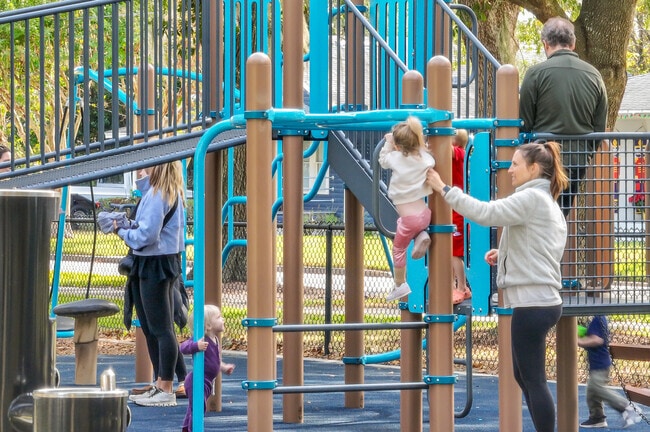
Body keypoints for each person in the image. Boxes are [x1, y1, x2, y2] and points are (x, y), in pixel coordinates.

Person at [427, 141, 568, 432]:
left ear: (534, 168)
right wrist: (503, 254)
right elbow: (540, 246)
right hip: (540, 300)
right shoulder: (546, 201)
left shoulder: (531, 199)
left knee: (533, 378)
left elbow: (485, 213)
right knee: (523, 375)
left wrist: (444, 188)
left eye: (515, 164)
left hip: (533, 304)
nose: (510, 169)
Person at [111, 162, 186, 407]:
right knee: (153, 326)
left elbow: (147, 236)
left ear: (160, 165)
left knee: (161, 327)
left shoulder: (158, 195)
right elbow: (146, 228)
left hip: (155, 263)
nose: (144, 166)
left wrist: (119, 231)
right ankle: (161, 382)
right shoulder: (162, 191)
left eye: (149, 161)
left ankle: (165, 385)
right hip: (159, 261)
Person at [519, 16, 608, 217]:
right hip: (577, 160)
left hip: (542, 160)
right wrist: (585, 152)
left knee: (538, 219)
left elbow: (524, 122)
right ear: (573, 43)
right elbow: (599, 127)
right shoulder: (594, 75)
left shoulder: (535, 74)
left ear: (545, 44)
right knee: (560, 217)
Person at [379, 116, 435, 301]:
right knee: (403, 224)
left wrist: (387, 143)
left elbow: (382, 160)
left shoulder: (395, 158)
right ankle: (422, 235)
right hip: (424, 215)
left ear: (398, 146)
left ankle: (400, 285)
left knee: (398, 249)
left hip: (410, 220)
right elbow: (422, 153)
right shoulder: (425, 159)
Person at [578, 315, 641, 428]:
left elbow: (597, 340)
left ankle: (625, 407)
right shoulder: (597, 318)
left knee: (597, 388)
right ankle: (597, 418)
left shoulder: (598, 318)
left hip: (600, 364)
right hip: (598, 364)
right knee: (592, 392)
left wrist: (579, 341)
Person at [180, 304, 235, 432]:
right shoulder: (201, 339)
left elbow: (214, 361)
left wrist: (224, 367)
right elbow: (183, 347)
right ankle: (194, 429)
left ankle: (186, 428)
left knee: (194, 408)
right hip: (196, 380)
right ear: (209, 325)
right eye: (219, 317)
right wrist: (196, 346)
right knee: (198, 408)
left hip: (206, 382)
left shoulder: (215, 339)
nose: (223, 319)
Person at [451, 129, 471, 305]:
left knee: (455, 253)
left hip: (457, 213)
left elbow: (446, 150)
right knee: (448, 251)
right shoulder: (457, 152)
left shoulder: (459, 153)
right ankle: (451, 285)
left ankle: (461, 287)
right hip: (452, 210)